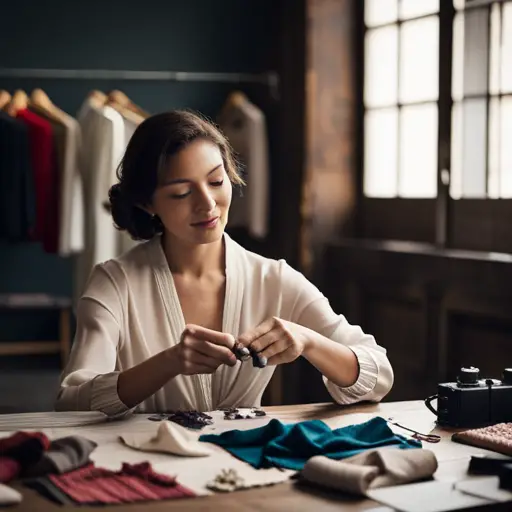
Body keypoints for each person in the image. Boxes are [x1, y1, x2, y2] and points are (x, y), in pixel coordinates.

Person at [55, 110, 393, 417]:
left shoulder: (273, 279)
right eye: (181, 193)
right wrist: (169, 362)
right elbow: (70, 398)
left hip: (245, 468)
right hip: (142, 468)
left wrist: (308, 340)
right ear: (147, 203)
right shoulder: (114, 283)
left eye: (216, 182)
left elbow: (379, 374)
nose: (207, 204)